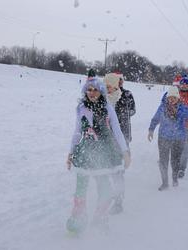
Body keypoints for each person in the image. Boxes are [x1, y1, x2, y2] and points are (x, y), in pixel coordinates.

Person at [66, 77, 131, 234]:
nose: (92, 93)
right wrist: (70, 152)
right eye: (89, 89)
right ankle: (78, 219)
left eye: (95, 90)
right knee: (81, 188)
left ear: (101, 91)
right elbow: (77, 132)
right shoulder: (81, 108)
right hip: (84, 152)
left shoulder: (108, 107)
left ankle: (99, 218)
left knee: (105, 188)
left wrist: (125, 151)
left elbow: (117, 130)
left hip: (104, 152)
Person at [148, 86, 188, 190]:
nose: (171, 99)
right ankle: (165, 182)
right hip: (164, 137)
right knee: (163, 161)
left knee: (175, 161)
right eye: (170, 97)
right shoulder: (162, 107)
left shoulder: (183, 108)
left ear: (178, 98)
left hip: (178, 138)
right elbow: (155, 119)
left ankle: (174, 179)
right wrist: (151, 130)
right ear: (167, 98)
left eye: (174, 97)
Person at [104, 72, 136, 214]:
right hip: (105, 139)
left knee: (117, 171)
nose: (120, 82)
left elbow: (132, 111)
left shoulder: (126, 95)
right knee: (105, 168)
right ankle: (107, 195)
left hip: (122, 137)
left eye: (121, 80)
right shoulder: (103, 97)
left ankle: (118, 201)